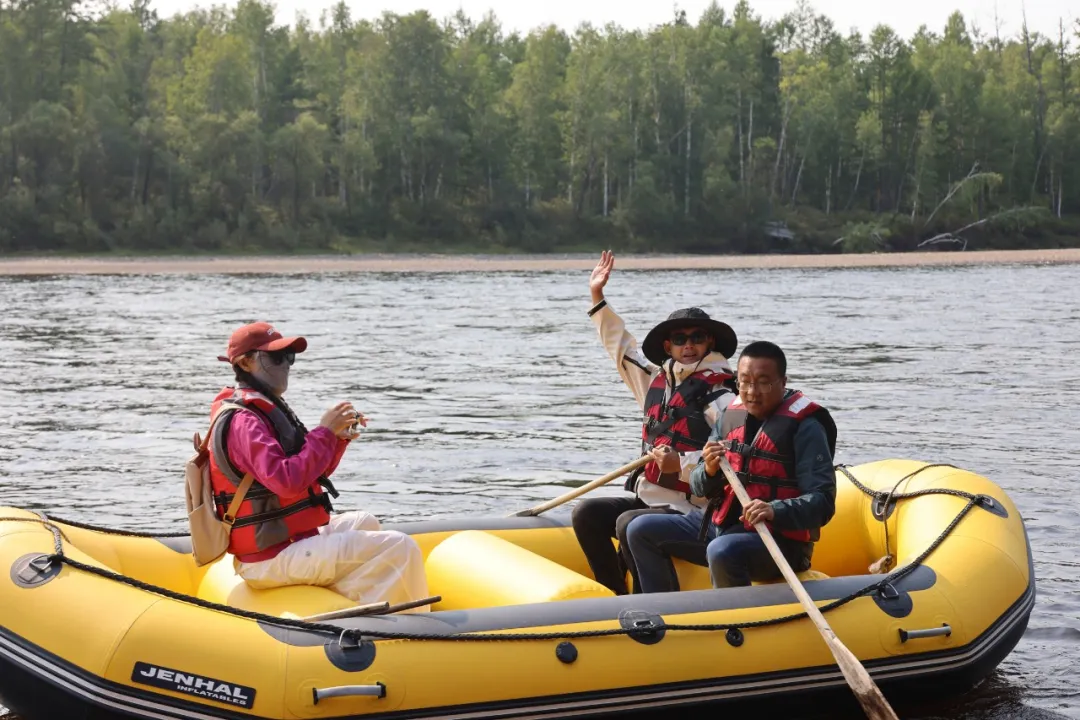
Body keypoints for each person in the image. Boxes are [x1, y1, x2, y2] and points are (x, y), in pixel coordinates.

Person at [208, 321, 430, 609]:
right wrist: (324, 432)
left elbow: (312, 474)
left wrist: (336, 439)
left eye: (289, 356)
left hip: (289, 542)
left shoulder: (265, 408)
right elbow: (287, 482)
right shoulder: (244, 421)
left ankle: (355, 607)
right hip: (270, 558)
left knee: (366, 522)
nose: (286, 364)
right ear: (245, 363)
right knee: (400, 547)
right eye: (276, 357)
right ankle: (410, 631)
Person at [572, 251, 738, 595]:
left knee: (627, 523)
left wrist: (684, 463)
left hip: (693, 508)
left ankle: (657, 603)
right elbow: (620, 348)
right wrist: (597, 298)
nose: (688, 345)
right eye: (680, 339)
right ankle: (613, 596)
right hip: (651, 497)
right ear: (668, 346)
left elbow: (733, 456)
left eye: (696, 338)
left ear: (710, 343)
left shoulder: (724, 395)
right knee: (586, 513)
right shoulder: (654, 382)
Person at [625, 341, 837, 592]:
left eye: (763, 382)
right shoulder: (731, 416)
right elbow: (698, 485)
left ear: (783, 382)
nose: (751, 391)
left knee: (723, 550)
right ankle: (664, 615)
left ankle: (736, 625)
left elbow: (823, 502)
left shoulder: (806, 428)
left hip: (777, 540)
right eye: (745, 381)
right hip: (721, 526)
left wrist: (774, 510)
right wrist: (709, 470)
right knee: (640, 529)